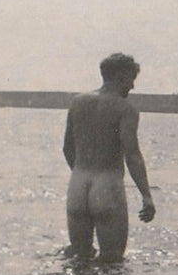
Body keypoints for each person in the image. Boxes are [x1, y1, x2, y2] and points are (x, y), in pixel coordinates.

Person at [63, 52, 155, 263]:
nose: (132, 86)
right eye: (132, 79)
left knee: (78, 260)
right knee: (112, 263)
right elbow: (132, 156)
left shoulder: (77, 103)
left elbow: (67, 148)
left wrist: (80, 172)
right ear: (121, 76)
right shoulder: (125, 109)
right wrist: (146, 196)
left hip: (77, 187)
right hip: (108, 187)